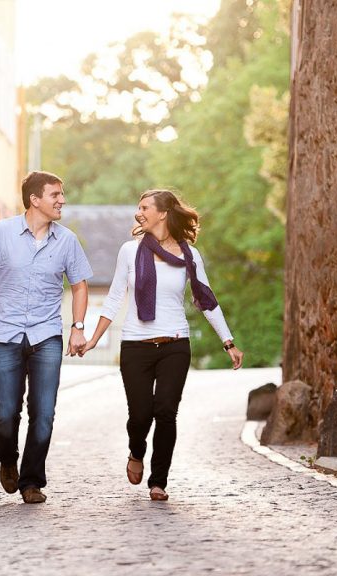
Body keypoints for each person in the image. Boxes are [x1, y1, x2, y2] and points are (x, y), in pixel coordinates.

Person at [81, 189, 244, 501]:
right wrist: (93, 339)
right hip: (135, 346)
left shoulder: (189, 256)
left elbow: (206, 302)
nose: (138, 213)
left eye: (144, 207)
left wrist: (228, 342)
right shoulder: (129, 251)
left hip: (175, 344)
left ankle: (159, 480)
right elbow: (115, 297)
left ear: (163, 213)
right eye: (138, 207)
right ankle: (136, 451)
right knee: (141, 414)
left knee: (166, 412)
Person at [0, 171, 93, 504]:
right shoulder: (1, 233)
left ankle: (32, 481)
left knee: (44, 411)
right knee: (5, 411)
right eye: (55, 195)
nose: (62, 200)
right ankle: (8, 460)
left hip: (47, 334)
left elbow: (80, 285)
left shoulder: (66, 240)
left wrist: (77, 326)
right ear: (35, 199)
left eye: (62, 194)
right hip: (6, 334)